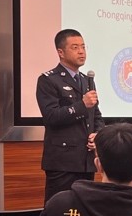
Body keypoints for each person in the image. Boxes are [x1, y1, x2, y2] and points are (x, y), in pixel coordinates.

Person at [37, 29, 105, 201]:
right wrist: (82, 105)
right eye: (75, 47)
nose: (81, 52)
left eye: (83, 47)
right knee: (60, 210)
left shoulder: (86, 80)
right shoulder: (48, 80)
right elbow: (51, 117)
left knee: (84, 210)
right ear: (61, 52)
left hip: (86, 160)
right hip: (63, 162)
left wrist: (97, 134)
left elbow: (96, 115)